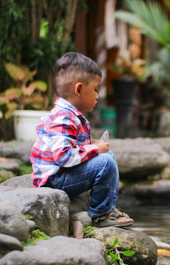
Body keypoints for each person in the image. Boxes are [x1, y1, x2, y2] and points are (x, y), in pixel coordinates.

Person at [30, 52, 133, 230]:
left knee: (107, 156)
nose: (97, 96)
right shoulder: (63, 118)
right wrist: (94, 150)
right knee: (105, 162)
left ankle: (107, 206)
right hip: (54, 180)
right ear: (78, 89)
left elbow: (72, 146)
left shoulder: (70, 115)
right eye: (95, 89)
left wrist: (93, 146)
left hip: (62, 173)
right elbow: (63, 156)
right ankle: (101, 214)